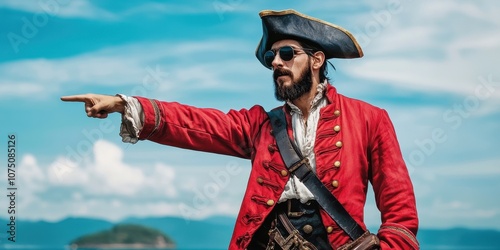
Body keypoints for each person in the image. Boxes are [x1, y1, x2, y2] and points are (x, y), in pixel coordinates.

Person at [61, 9, 419, 250]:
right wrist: (125, 103)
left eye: (287, 53)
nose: (276, 63)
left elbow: (400, 212)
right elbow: (196, 123)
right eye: (272, 58)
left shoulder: (370, 119)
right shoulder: (261, 125)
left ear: (317, 59)